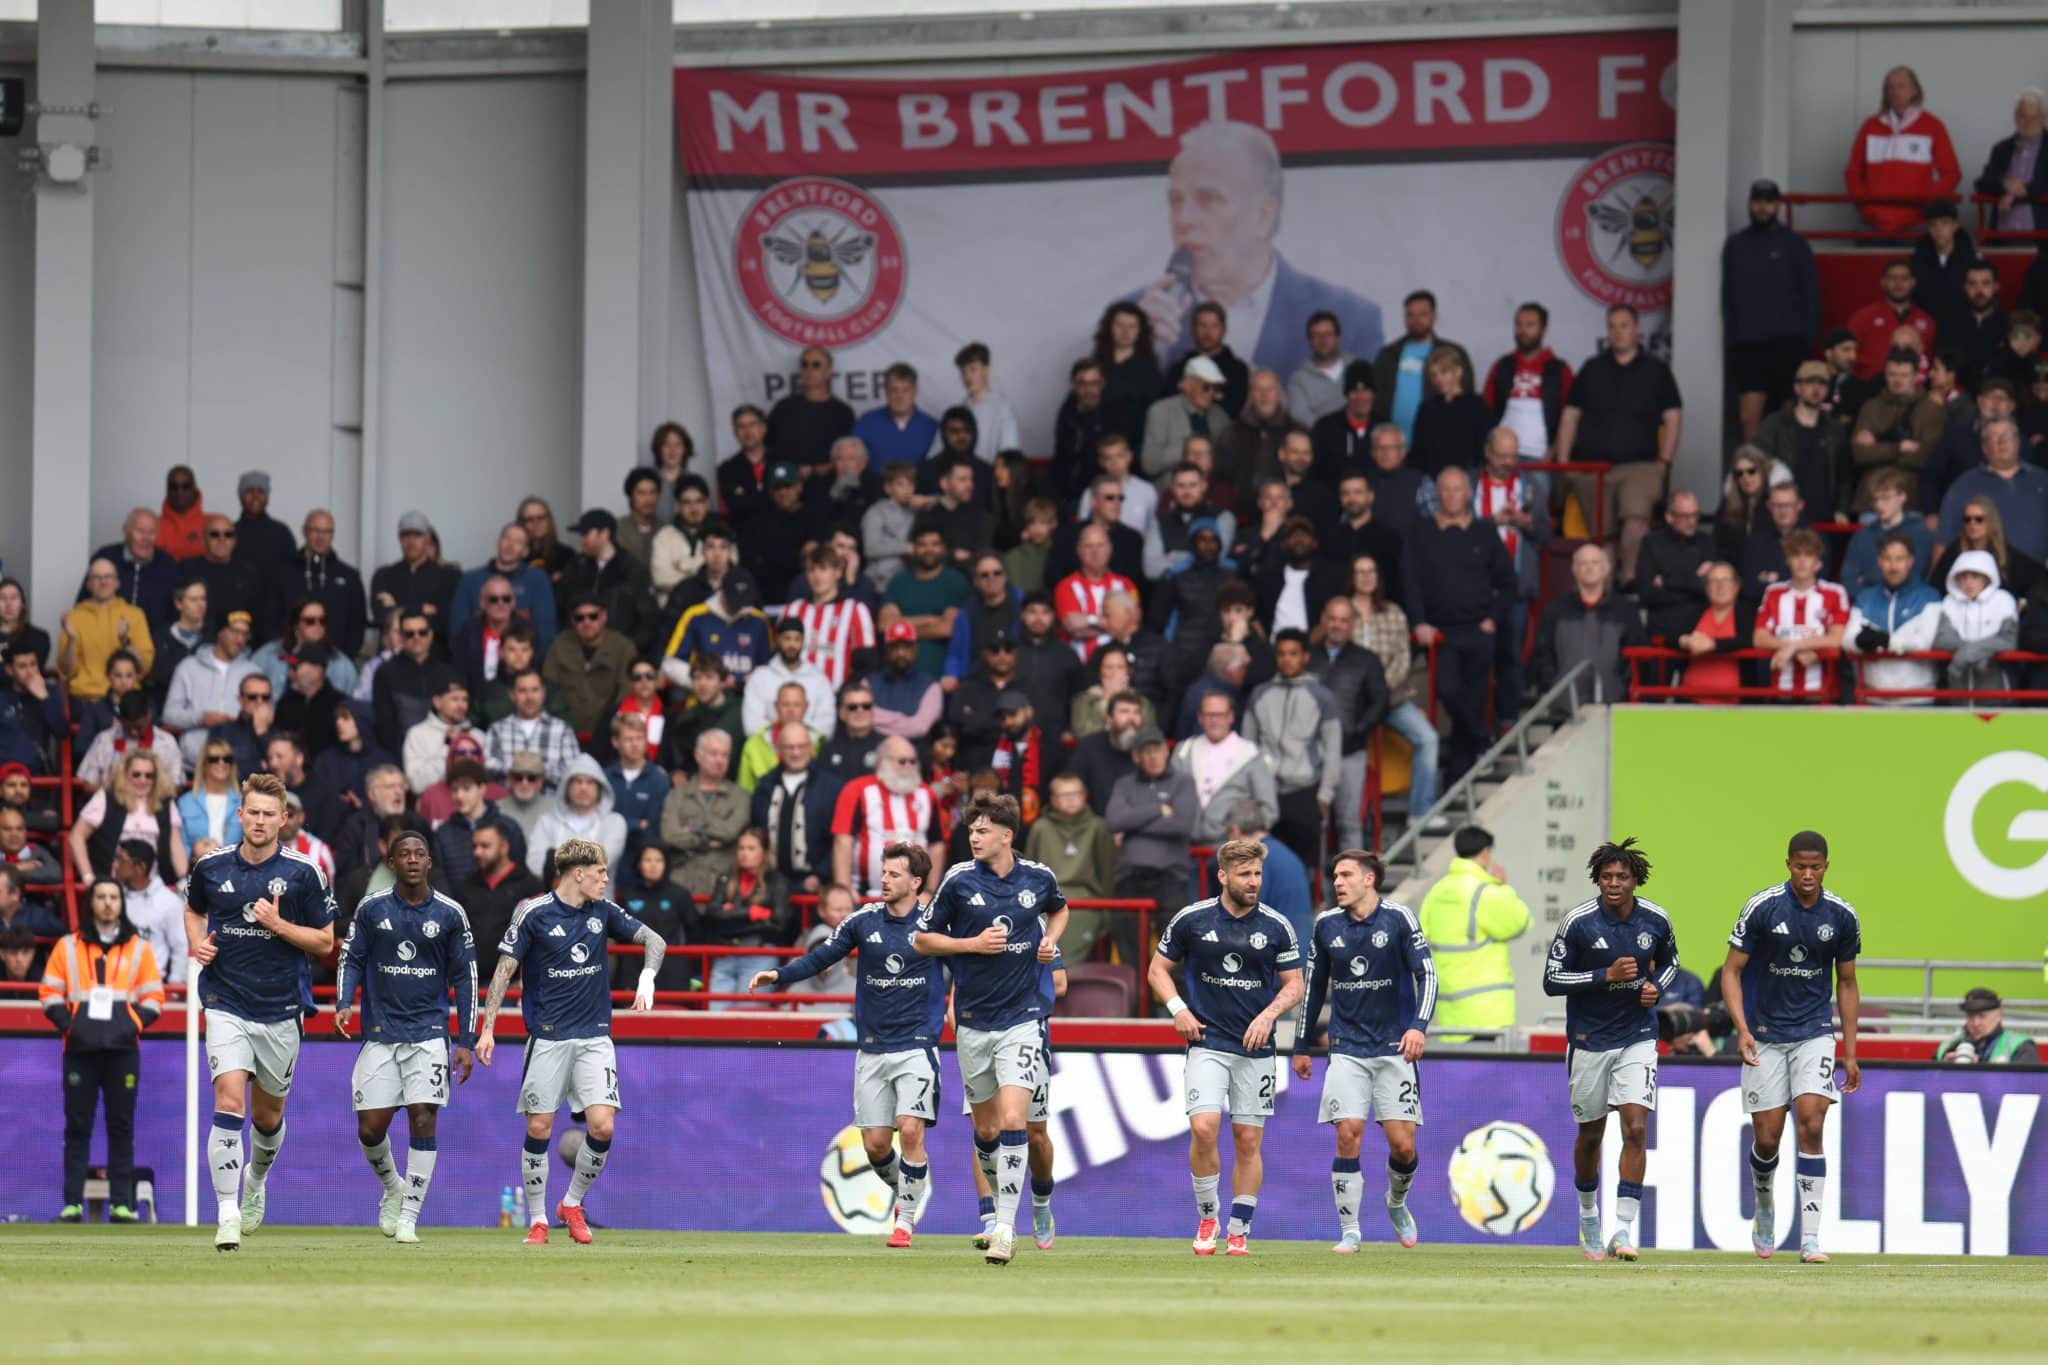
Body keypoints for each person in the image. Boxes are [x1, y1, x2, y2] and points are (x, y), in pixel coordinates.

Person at [751, 842, 943, 1246]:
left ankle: (905, 1221)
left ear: (916, 882)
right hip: (872, 1045)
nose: (884, 880)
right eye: (883, 872)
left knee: (909, 1130)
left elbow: (966, 962)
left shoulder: (937, 923)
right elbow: (822, 957)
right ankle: (908, 1189)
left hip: (917, 1044)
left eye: (893, 874)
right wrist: (780, 974)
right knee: (875, 1145)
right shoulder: (863, 921)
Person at [475, 837, 663, 1245]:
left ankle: (572, 1203)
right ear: (578, 873)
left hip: (595, 1038)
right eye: (600, 873)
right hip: (549, 1038)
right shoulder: (533, 914)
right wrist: (487, 1027)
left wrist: (647, 976)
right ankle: (539, 1220)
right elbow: (504, 970)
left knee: (603, 1125)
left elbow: (655, 941)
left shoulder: (603, 912)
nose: (605, 880)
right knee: (540, 1127)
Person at [182, 773, 338, 1250]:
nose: (260, 820)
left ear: (284, 820)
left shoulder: (303, 873)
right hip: (226, 1000)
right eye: (253, 812)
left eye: (270, 814)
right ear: (240, 814)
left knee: (267, 1119)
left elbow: (326, 941)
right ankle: (226, 1214)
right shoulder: (209, 866)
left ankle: (255, 1180)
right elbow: (192, 909)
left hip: (281, 1008)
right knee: (229, 1102)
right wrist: (196, 944)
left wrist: (279, 923)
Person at [910, 792, 1066, 1264]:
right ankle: (1016, 1207)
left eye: (982, 830)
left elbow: (1059, 908)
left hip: (1024, 1018)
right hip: (974, 1022)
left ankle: (1008, 1223)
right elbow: (921, 939)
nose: (973, 837)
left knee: (1020, 1123)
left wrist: (1051, 942)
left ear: (1006, 835)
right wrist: (971, 944)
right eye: (970, 830)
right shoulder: (958, 881)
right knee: (987, 1132)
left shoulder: (1038, 878)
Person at [1146, 837, 1304, 1257]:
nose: (1254, 882)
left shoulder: (1276, 926)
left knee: (1248, 1141)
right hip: (1207, 1041)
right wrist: (1177, 1008)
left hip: (1256, 1048)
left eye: (1257, 874)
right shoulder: (1192, 920)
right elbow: (1157, 970)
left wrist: (1269, 1015)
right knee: (1203, 1128)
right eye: (1245, 874)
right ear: (1223, 876)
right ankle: (1208, 1214)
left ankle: (1239, 1229)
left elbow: (1295, 985)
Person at [1131, 121, 1382, 380]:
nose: (1183, 219)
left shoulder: (1352, 319)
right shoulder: (1135, 317)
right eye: (1176, 200)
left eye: (1208, 199)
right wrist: (1139, 352)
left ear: (1264, 216)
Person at [1720, 831, 1862, 1263]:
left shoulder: (1841, 915)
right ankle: (1764, 1205)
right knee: (1767, 1139)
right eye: (1800, 866)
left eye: (1815, 867)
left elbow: (1848, 982)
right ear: (1788, 865)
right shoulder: (1763, 907)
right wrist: (1742, 1030)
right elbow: (1730, 971)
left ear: (1826, 866)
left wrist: (1851, 1052)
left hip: (1815, 1031)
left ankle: (1811, 1238)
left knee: (1812, 1123)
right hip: (1764, 1033)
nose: (1807, 874)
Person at [331, 830, 476, 1244]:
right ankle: (394, 1187)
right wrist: (344, 1001)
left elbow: (465, 978)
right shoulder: (372, 909)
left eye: (420, 854)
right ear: (391, 863)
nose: (413, 859)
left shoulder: (449, 914)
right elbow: (351, 956)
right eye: (404, 854)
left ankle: (410, 1216)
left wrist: (465, 1039)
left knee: (423, 1115)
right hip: (379, 1032)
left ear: (429, 862)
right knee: (370, 1130)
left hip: (429, 1032)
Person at [1544, 837, 1679, 1263]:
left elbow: (1672, 962)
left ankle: (1622, 1229)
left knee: (1636, 1129)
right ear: (1597, 880)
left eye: (1622, 876)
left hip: (1638, 1037)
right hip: (1588, 1041)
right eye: (1606, 877)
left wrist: (1657, 988)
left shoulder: (1656, 920)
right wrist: (1604, 975)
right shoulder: (1579, 922)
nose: (1614, 883)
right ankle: (1588, 1217)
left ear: (1636, 879)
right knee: (1591, 1136)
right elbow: (1551, 980)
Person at [1295, 849, 1433, 1252]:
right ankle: (1350, 1230)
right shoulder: (1326, 926)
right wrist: (1301, 1044)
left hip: (1395, 1048)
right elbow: (1313, 988)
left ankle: (1397, 1201)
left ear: (1369, 879)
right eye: (1334, 875)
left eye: (1346, 875)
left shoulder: (1399, 919)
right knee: (1348, 1134)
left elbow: (1428, 975)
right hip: (1347, 1047)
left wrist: (1418, 1028)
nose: (1337, 882)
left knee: (1403, 1145)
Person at [39, 876, 165, 1224]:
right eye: (101, 897)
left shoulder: (139, 948)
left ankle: (121, 1204)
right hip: (79, 1050)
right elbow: (49, 993)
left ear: (121, 904)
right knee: (77, 1126)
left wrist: (129, 1026)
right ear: (91, 903)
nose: (108, 903)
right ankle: (72, 1203)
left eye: (114, 897)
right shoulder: (67, 946)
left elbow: (155, 997)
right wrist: (71, 1027)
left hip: (122, 1051)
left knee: (121, 1126)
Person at [1402, 467, 1516, 783]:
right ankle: (1483, 737)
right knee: (1449, 690)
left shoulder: (1484, 532)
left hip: (1478, 630)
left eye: (1458, 489)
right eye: (1446, 489)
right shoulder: (1420, 532)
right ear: (1438, 494)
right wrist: (1420, 622)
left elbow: (1507, 581)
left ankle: (1458, 778)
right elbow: (1410, 582)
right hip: (1439, 633)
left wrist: (1493, 619)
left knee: (1474, 697)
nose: (1452, 495)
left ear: (1468, 494)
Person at [1553, 305, 1683, 580]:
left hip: (1641, 465)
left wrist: (1664, 462)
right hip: (1592, 467)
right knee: (1603, 534)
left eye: (1624, 325)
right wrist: (1564, 461)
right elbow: (1570, 415)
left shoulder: (1656, 370)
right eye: (1612, 326)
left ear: (1637, 330)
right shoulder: (1591, 368)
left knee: (1636, 522)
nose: (1618, 332)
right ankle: (1607, 591)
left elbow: (1673, 417)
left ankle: (1630, 582)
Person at [1721, 180, 1821, 440]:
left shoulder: (1795, 244)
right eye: (1757, 202)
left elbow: (1810, 294)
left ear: (1777, 205)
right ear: (1749, 204)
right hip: (1749, 345)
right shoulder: (1736, 245)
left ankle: (1786, 477)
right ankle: (1751, 473)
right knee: (1748, 418)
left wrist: (1805, 339)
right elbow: (1727, 298)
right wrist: (1733, 340)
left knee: (1789, 417)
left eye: (1768, 202)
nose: (1762, 208)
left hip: (1788, 343)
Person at [1414, 826, 1531, 1042]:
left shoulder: (1437, 891)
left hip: (1448, 1011)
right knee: (1490, 1074)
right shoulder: (1485, 891)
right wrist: (1503, 886)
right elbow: (1521, 922)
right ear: (1485, 852)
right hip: (1486, 1011)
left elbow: (1422, 936)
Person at [1843, 64, 1960, 235]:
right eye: (1890, 87)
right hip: (1872, 222)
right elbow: (1852, 173)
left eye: (1901, 86)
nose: (1895, 91)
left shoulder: (1933, 126)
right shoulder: (1870, 126)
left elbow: (1952, 174)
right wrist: (1866, 208)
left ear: (1915, 91)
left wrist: (1926, 203)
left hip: (1917, 223)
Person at [1530, 543, 1647, 707]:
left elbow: (1638, 654)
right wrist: (1551, 685)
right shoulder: (1555, 609)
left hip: (1613, 705)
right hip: (1565, 707)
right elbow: (1543, 653)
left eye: (1595, 563)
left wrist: (1622, 689)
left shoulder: (1624, 610)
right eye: (1583, 563)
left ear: (1606, 569)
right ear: (1574, 570)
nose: (1589, 568)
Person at [1845, 531, 1945, 705]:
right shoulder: (1865, 598)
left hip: (1918, 700)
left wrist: (1884, 640)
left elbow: (1924, 642)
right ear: (1879, 562)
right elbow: (1848, 640)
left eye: (1899, 559)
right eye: (1887, 559)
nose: (1893, 566)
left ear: (1910, 562)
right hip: (1872, 698)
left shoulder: (1930, 597)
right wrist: (1861, 641)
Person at [1755, 530, 1852, 696]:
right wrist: (1796, 649)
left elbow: (1836, 639)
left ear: (1818, 563)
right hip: (1781, 692)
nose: (1801, 560)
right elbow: (1759, 638)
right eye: (1795, 555)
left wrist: (1792, 647)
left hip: (1822, 694)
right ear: (1787, 561)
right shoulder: (1773, 592)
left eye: (1808, 555)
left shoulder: (1835, 593)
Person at [1938, 418, 2048, 562]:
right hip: (1984, 578)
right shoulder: (1965, 485)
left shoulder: (2042, 479)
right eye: (1994, 437)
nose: (2002, 441)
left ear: (2018, 441)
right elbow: (1944, 540)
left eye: (2008, 435)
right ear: (1984, 448)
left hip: (2040, 577)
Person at [71, 750, 187, 885]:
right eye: (136, 775)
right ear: (124, 775)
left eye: (149, 776)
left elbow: (175, 844)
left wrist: (184, 879)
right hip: (113, 883)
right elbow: (77, 836)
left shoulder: (165, 803)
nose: (142, 780)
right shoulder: (105, 798)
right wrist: (88, 876)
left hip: (155, 883)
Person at [1372, 291, 1473, 442]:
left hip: (1438, 440)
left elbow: (1466, 398)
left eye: (1422, 314)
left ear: (1434, 317)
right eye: (1410, 315)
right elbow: (1375, 397)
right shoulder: (1388, 354)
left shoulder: (1453, 353)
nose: (1416, 320)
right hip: (1391, 445)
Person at [1755, 362, 1851, 521]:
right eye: (1810, 382)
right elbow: (1758, 465)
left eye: (1822, 383)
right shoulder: (1774, 425)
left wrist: (1841, 510)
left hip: (1823, 517)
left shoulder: (1835, 429)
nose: (1816, 388)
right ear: (1797, 388)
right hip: (1783, 513)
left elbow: (1844, 476)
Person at [661, 729, 750, 897]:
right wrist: (710, 840)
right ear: (698, 755)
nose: (719, 760)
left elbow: (730, 832)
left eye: (725, 755)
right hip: (682, 882)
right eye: (713, 754)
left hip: (723, 886)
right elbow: (670, 835)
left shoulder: (740, 797)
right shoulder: (676, 795)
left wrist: (693, 827)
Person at [1481, 301, 1573, 461]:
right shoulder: (1501, 366)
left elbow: (1569, 419)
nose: (1523, 330)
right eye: (1519, 325)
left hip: (1542, 460)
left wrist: (1552, 455)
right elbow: (1485, 413)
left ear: (1544, 330)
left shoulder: (1560, 370)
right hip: (1503, 459)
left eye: (1530, 325)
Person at [60, 558, 155, 705]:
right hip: (86, 698)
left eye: (108, 577)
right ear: (88, 585)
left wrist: (125, 643)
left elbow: (144, 666)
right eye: (97, 577)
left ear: (117, 583)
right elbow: (66, 671)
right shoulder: (74, 617)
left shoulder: (134, 615)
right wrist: (71, 640)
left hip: (127, 699)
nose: (103, 582)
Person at [450, 523, 558, 652]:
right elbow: (456, 630)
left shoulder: (537, 579)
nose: (510, 545)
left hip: (523, 662)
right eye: (507, 538)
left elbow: (545, 630)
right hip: (477, 661)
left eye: (518, 542)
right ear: (498, 543)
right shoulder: (470, 579)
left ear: (525, 552)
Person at [1931, 549, 2021, 697]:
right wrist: (1976, 655)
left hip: (1996, 692)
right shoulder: (1949, 602)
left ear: (1987, 578)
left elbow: (2008, 640)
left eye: (1975, 576)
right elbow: (1942, 640)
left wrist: (1968, 653)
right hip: (1958, 690)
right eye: (1963, 577)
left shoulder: (2004, 600)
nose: (1968, 582)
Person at [456, 821, 542, 975]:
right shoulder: (466, 885)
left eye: (485, 846)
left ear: (504, 847)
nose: (477, 852)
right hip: (470, 982)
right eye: (475, 846)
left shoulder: (530, 886)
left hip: (513, 986)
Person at [1633, 491, 1718, 644]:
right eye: (1685, 516)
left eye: (1695, 515)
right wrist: (1693, 585)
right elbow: (1647, 594)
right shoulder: (1651, 543)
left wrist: (1667, 581)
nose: (1692, 521)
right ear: (1669, 517)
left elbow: (1711, 590)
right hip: (1663, 634)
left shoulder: (1706, 542)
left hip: (1700, 633)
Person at [83, 507, 179, 635]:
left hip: (154, 644)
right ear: (126, 531)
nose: (146, 538)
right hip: (105, 640)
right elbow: (84, 601)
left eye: (152, 532)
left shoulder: (168, 565)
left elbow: (176, 614)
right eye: (140, 531)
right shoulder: (105, 557)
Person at [485, 669, 580, 793]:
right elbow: (487, 766)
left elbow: (573, 773)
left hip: (551, 807)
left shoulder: (562, 729)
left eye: (535, 690)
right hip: (505, 807)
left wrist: (536, 770)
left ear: (543, 693)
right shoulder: (497, 729)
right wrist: (518, 768)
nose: (529, 697)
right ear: (512, 695)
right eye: (522, 691)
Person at [369, 510, 461, 636]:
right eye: (406, 535)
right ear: (399, 538)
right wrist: (421, 609)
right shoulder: (384, 575)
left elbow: (444, 621)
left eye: (417, 535)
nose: (411, 541)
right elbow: (382, 617)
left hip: (435, 653)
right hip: (393, 653)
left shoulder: (449, 577)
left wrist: (397, 608)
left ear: (428, 537)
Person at [1846, 261, 1938, 382]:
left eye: (1904, 278)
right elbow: (1848, 358)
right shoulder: (1862, 318)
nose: (1898, 283)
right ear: (1883, 282)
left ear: (1913, 282)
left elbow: (1931, 361)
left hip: (1914, 391)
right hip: (1869, 390)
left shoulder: (1927, 322)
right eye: (1892, 278)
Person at [1410, 346, 1493, 477]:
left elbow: (1484, 451)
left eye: (1444, 372)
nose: (1439, 379)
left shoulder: (1477, 406)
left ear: (1459, 372)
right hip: (1432, 481)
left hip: (1467, 480)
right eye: (1434, 375)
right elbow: (1418, 453)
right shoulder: (1426, 409)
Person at [768, 347, 856, 470]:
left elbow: (850, 455)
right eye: (805, 365)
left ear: (829, 372)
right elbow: (769, 448)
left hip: (830, 485)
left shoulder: (842, 412)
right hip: (788, 485)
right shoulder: (783, 408)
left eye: (816, 365)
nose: (809, 370)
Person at [1976, 88, 2048, 233]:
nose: (2028, 122)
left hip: (2042, 235)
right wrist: (2005, 184)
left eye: (2033, 117)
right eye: (2022, 116)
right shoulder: (2001, 148)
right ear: (2015, 118)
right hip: (2003, 233)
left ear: (2043, 118)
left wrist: (2017, 193)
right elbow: (1982, 183)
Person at [852, 363, 940, 467]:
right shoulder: (867, 423)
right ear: (886, 391)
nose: (899, 396)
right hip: (874, 482)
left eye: (905, 390)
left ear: (915, 391)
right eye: (894, 390)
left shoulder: (932, 427)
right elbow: (851, 463)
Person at [1286, 311, 1357, 428]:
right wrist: (1334, 432)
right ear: (1309, 340)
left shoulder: (1357, 367)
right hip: (1320, 441)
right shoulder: (1298, 380)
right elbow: (1299, 416)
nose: (1323, 340)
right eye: (1316, 335)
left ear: (1338, 338)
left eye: (1328, 334)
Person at [1937, 986, 2039, 1064]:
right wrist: (1945, 1069)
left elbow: (2028, 1086)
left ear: (1999, 1016)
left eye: (1982, 1016)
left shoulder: (2020, 1046)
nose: (1976, 1023)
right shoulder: (1948, 1046)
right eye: (1970, 1016)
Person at [158, 465, 207, 560]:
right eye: (173, 487)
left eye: (186, 486)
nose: (179, 491)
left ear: (194, 488)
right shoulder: (152, 526)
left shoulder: (212, 524)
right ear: (167, 490)